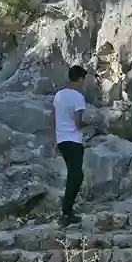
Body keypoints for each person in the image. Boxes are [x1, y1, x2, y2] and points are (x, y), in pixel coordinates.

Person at [53, 64, 89, 226]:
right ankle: (65, 213)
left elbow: (52, 117)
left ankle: (68, 211)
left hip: (62, 140)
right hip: (74, 140)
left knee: (73, 175)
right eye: (84, 79)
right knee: (76, 176)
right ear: (80, 79)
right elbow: (77, 122)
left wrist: (54, 139)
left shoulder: (59, 95)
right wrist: (90, 123)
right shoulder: (78, 97)